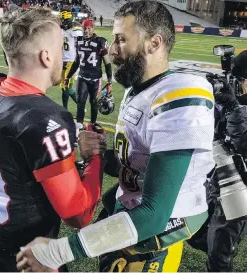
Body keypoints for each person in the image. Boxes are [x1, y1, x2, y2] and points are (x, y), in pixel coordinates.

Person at [16, 1, 215, 272]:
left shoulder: (181, 94)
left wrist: (59, 251)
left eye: (121, 40)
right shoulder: (139, 90)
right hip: (126, 224)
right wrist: (96, 153)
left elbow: (155, 214)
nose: (110, 51)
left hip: (152, 243)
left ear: (153, 43)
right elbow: (134, 168)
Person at [0, 8, 106, 272]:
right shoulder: (42, 119)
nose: (65, 54)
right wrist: (93, 158)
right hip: (24, 257)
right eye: (61, 48)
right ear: (46, 57)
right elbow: (78, 214)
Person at [187, 50, 247, 272]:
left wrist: (232, 108)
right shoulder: (236, 103)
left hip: (239, 195)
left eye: (240, 80)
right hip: (218, 182)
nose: (236, 85)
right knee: (193, 231)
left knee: (218, 261)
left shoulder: (236, 106)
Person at [64, 18, 112, 129]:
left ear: (92, 28)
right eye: (84, 28)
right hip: (82, 76)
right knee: (80, 102)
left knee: (93, 102)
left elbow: (107, 63)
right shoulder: (79, 41)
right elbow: (76, 62)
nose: (86, 31)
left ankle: (93, 124)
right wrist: (68, 76)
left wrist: (109, 80)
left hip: (95, 78)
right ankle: (79, 125)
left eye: (88, 28)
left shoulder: (100, 41)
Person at [59, 10, 83, 109]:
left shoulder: (75, 31)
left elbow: (81, 45)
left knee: (66, 86)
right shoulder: (61, 31)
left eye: (62, 19)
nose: (61, 21)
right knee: (63, 87)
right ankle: (65, 108)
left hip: (72, 61)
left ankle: (80, 106)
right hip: (63, 61)